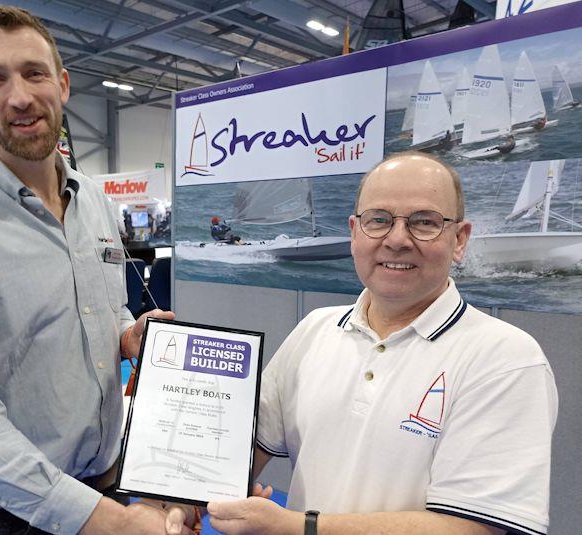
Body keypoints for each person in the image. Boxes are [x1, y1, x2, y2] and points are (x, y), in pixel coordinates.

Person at [0, 6, 194, 535]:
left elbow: (106, 307)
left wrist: (127, 334)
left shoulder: (94, 199)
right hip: (4, 518)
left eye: (34, 73)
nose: (19, 97)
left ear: (62, 83)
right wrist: (114, 524)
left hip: (103, 485)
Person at [207, 152, 557, 535]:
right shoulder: (314, 330)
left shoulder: (506, 359)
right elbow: (239, 452)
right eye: (379, 220)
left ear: (459, 240)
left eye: (425, 222)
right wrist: (176, 500)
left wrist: (295, 527)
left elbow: (470, 528)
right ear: (355, 232)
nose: (396, 239)